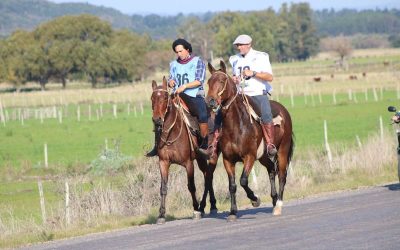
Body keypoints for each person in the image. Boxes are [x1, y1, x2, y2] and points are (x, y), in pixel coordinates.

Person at [211, 34, 277, 156]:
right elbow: (236, 78)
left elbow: (270, 77)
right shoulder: (234, 59)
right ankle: (213, 145)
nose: (239, 47)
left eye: (241, 45)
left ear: (249, 45)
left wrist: (254, 73)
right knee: (220, 114)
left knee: (266, 114)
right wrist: (235, 79)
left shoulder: (260, 56)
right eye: (237, 45)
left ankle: (270, 144)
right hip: (240, 95)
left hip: (257, 93)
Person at [146, 38, 210, 158]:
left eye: (181, 51)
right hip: (177, 95)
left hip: (194, 94)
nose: (179, 54)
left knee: (202, 114)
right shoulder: (174, 64)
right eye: (177, 52)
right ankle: (156, 145)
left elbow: (199, 81)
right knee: (159, 112)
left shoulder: (198, 62)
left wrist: (185, 86)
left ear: (187, 50)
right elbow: (172, 77)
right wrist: (171, 82)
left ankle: (204, 145)